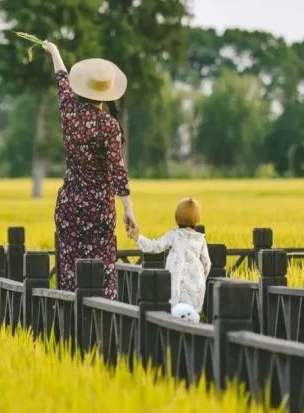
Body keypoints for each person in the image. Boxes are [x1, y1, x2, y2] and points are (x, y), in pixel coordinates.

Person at [41, 41, 137, 298]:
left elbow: (61, 78)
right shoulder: (109, 125)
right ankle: (100, 328)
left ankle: (70, 324)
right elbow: (118, 171)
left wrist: (54, 51)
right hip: (99, 210)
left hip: (70, 206)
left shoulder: (69, 112)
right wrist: (129, 209)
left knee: (69, 269)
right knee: (100, 274)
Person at [127, 197, 211, 317]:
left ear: (177, 218)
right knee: (191, 316)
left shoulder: (174, 235)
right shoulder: (200, 239)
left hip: (175, 282)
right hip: (195, 284)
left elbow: (155, 246)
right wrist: (202, 278)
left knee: (174, 315)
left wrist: (137, 237)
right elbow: (207, 264)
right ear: (197, 219)